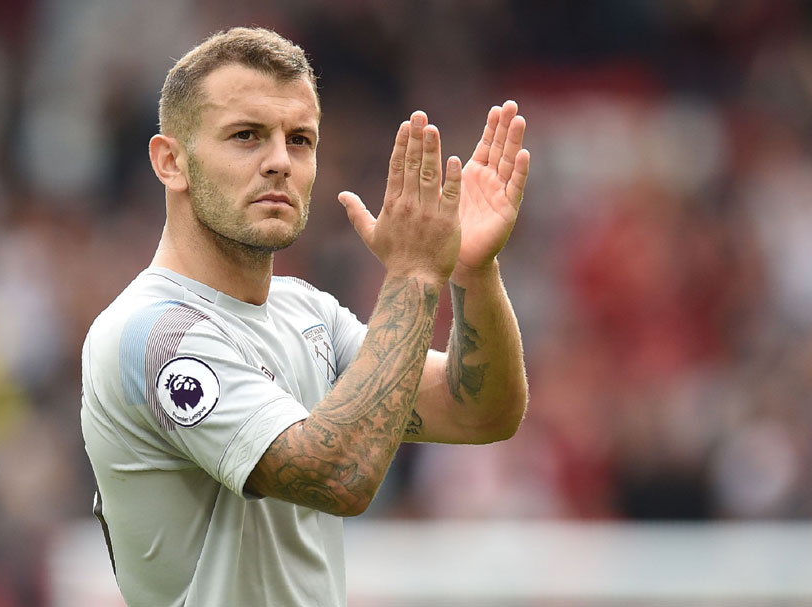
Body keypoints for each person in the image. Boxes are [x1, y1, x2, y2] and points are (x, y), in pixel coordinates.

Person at [80, 26, 531, 606]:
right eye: (246, 136)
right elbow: (340, 474)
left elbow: (480, 411)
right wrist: (416, 274)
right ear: (171, 161)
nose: (278, 163)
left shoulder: (305, 311)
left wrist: (470, 270)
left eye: (299, 140)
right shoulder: (154, 334)